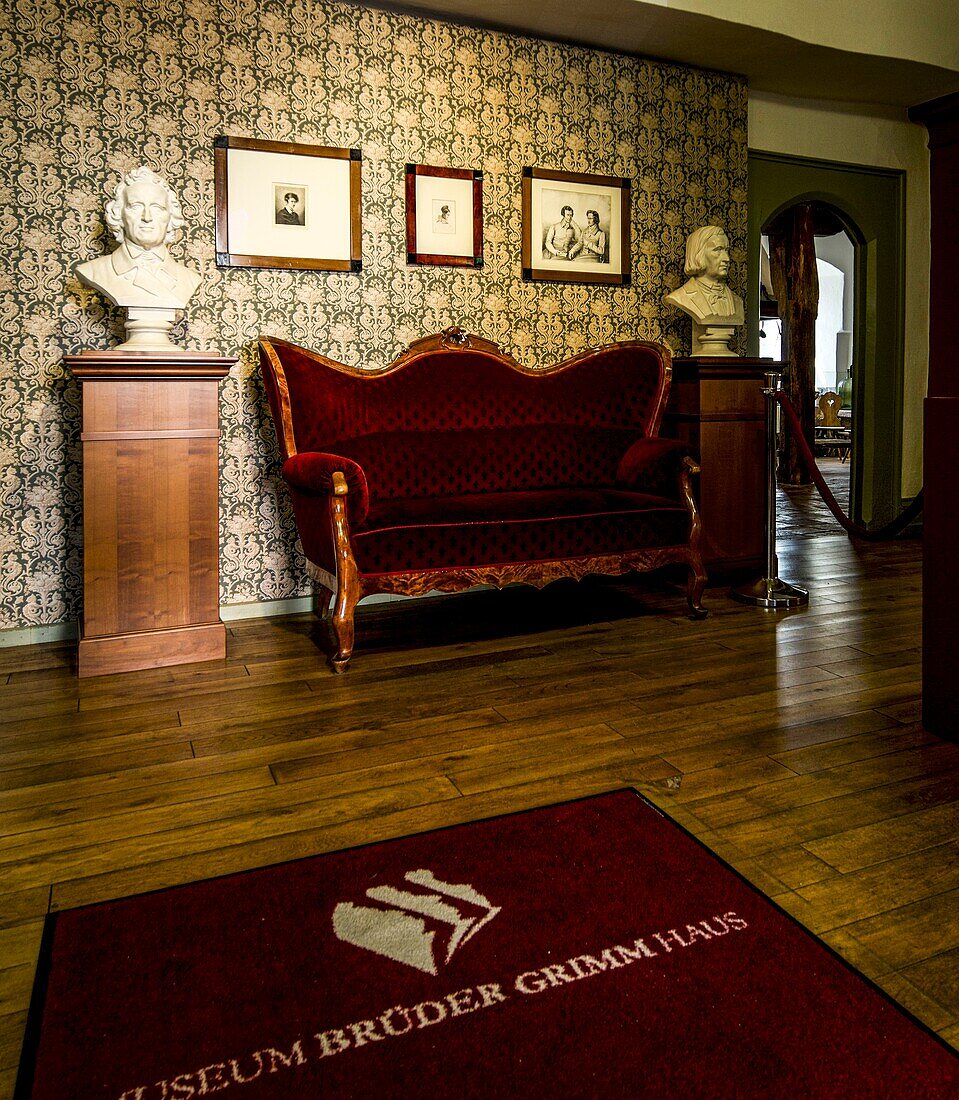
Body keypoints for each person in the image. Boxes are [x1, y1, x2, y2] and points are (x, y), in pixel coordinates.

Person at [74, 167, 201, 310]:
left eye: (157, 208)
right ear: (119, 215)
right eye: (135, 207)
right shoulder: (94, 271)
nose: (147, 217)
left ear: (171, 217)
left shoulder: (189, 278)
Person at [663, 225, 744, 323]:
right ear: (698, 254)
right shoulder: (680, 297)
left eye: (726, 250)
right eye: (717, 249)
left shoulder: (737, 301)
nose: (726, 258)